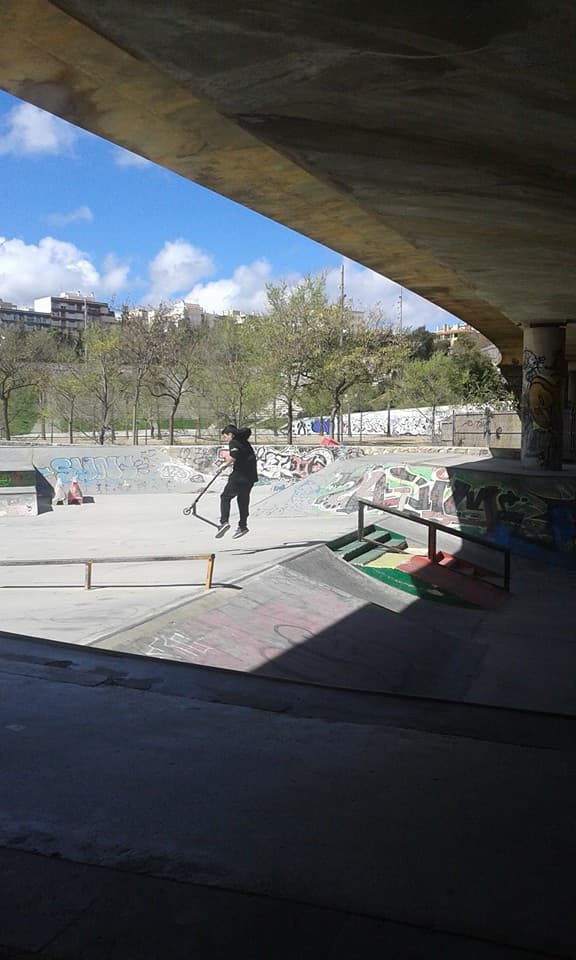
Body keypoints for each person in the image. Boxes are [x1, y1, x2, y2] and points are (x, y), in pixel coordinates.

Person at [216, 425, 258, 539]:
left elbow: (234, 456)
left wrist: (224, 465)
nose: (226, 439)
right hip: (251, 477)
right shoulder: (245, 442)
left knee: (225, 497)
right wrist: (226, 465)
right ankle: (243, 526)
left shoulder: (234, 442)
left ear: (230, 434)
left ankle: (224, 522)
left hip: (239, 476)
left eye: (225, 437)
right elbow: (240, 456)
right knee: (243, 500)